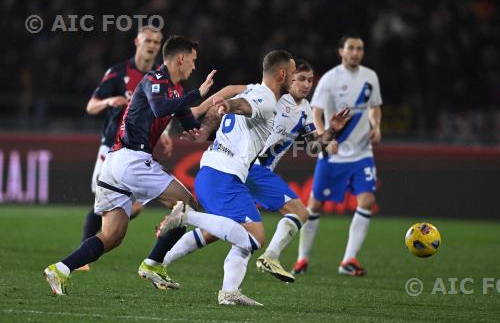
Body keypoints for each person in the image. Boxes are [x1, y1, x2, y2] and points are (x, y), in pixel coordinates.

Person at [43, 35, 218, 295]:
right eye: (192, 61)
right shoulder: (154, 80)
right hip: (130, 159)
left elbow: (190, 123)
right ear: (180, 58)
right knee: (186, 205)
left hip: (116, 164)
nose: (194, 67)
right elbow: (159, 108)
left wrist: (212, 122)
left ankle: (60, 269)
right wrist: (199, 94)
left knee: (112, 236)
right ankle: (153, 264)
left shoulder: (177, 91)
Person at [161, 59, 350, 285]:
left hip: (249, 170)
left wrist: (332, 131)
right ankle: (270, 257)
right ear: (287, 77)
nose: (305, 84)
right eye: (299, 78)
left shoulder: (305, 110)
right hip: (253, 168)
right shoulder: (274, 96)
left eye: (309, 80)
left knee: (220, 231)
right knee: (299, 212)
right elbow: (233, 92)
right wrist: (202, 110)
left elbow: (313, 147)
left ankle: (160, 262)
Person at [160, 50, 296, 306]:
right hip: (224, 175)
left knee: (242, 238)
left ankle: (229, 291)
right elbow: (242, 106)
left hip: (217, 173)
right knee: (254, 237)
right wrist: (230, 106)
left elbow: (233, 90)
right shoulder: (265, 100)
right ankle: (186, 216)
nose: (295, 78)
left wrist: (204, 109)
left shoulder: (254, 88)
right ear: (282, 75)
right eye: (293, 73)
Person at [79, 26, 168, 272]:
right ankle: (85, 253)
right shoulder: (119, 73)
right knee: (101, 200)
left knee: (135, 205)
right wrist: (109, 101)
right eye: (148, 40)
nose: (152, 45)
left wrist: (167, 134)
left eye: (157, 42)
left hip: (139, 149)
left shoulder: (160, 77)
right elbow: (91, 106)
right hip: (111, 147)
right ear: (137, 41)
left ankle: (98, 239)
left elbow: (163, 108)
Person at [292, 35, 383, 277]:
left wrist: (376, 126)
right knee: (314, 206)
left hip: (363, 153)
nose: (355, 52)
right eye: (351, 48)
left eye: (360, 48)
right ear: (341, 51)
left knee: (366, 201)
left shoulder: (370, 77)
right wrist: (325, 137)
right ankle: (302, 259)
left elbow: (374, 106)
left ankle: (348, 260)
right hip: (335, 153)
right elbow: (317, 112)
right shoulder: (331, 79)